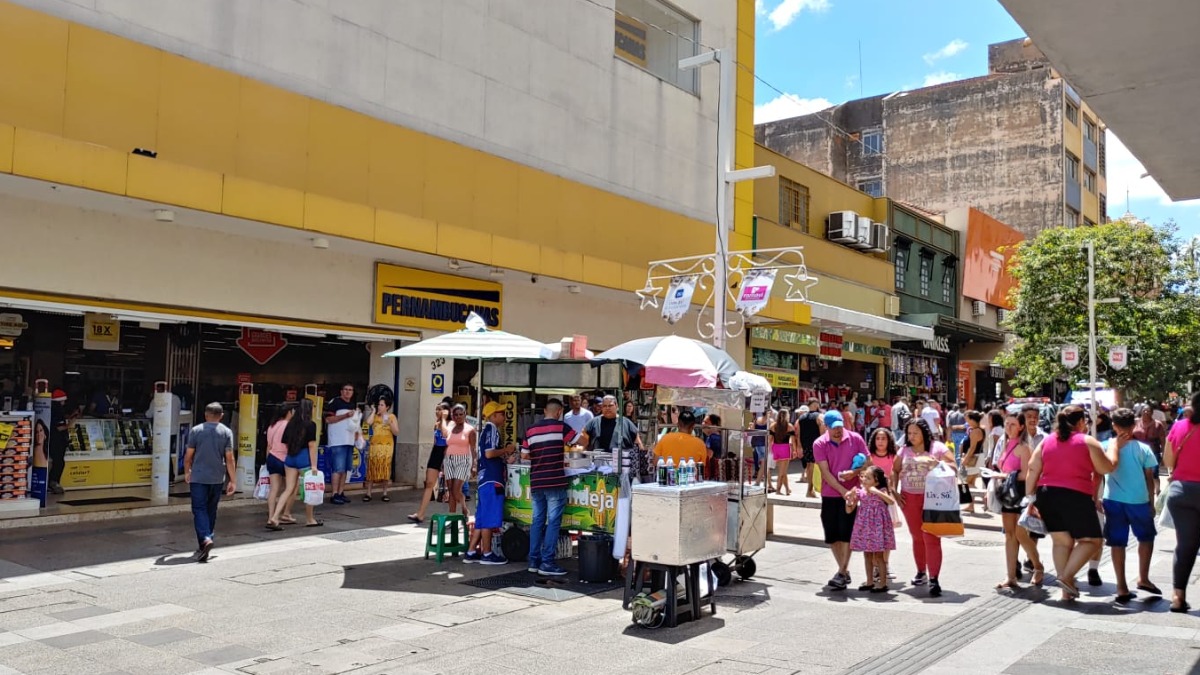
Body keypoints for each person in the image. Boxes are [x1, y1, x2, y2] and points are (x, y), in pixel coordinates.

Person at [1023, 405, 1114, 602]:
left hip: (1046, 494)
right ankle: (1065, 577)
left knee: (1062, 542)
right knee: (1092, 541)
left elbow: (1032, 467)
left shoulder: (1047, 441)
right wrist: (1114, 451)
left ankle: (1067, 590)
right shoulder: (1087, 441)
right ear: (1081, 422)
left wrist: (1030, 495)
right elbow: (1105, 467)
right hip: (1075, 494)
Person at [1102, 407, 1160, 603]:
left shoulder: (1106, 446)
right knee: (1146, 538)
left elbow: (1098, 473)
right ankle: (1143, 577)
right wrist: (1152, 503)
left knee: (1117, 543)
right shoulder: (1144, 449)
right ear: (1134, 425)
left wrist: (1096, 498)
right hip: (1139, 501)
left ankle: (1121, 586)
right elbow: (1150, 478)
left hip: (1113, 500)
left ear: (1114, 426)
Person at [892, 418, 955, 597]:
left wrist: (938, 464)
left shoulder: (938, 448)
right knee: (917, 536)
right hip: (909, 497)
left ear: (924, 433)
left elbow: (954, 467)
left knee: (932, 537)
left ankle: (934, 578)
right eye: (909, 433)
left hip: (933, 498)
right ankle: (921, 572)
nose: (912, 437)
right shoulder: (904, 450)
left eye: (915, 433)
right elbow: (894, 470)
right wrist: (894, 491)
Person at [814, 409, 868, 590]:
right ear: (826, 427)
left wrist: (854, 472)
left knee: (847, 533)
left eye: (840, 427)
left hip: (852, 492)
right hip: (830, 493)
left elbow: (868, 462)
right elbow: (825, 473)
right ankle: (843, 570)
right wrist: (842, 490)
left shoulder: (855, 439)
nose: (838, 431)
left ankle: (842, 571)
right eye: (834, 428)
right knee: (832, 535)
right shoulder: (820, 444)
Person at [523, 398, 577, 577]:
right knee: (553, 522)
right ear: (559, 412)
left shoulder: (530, 430)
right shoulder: (562, 427)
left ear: (544, 411)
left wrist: (539, 457)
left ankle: (533, 560)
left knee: (537, 521)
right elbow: (581, 439)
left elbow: (524, 456)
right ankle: (547, 562)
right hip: (554, 481)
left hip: (536, 481)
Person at [994, 411, 1044, 589]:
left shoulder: (1024, 447)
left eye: (1013, 424)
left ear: (1021, 426)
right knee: (1009, 535)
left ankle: (1037, 565)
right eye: (1007, 424)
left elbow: (1027, 473)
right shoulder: (1005, 443)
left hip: (1020, 493)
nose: (1008, 427)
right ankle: (1011, 576)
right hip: (1008, 493)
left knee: (1021, 534)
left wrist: (1003, 475)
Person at [183, 403, 236, 562]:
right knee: (211, 509)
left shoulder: (196, 430)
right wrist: (233, 479)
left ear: (206, 415)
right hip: (217, 478)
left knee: (199, 509)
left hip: (198, 477)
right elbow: (229, 458)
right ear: (221, 416)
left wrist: (187, 471)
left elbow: (188, 455)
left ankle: (205, 539)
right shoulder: (226, 432)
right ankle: (206, 540)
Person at [1164, 391, 1200, 613]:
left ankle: (1177, 597)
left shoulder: (1179, 427)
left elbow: (1168, 461)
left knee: (1185, 545)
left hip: (1181, 492)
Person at [465, 402, 514, 565]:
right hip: (492, 479)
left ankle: (471, 551)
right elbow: (490, 453)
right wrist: (506, 450)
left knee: (481, 517)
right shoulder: (491, 429)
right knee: (488, 518)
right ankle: (487, 553)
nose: (504, 416)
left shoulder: (486, 430)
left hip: (484, 479)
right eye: (501, 413)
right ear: (493, 415)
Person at [269, 399, 321, 529]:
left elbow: (285, 442)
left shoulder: (290, 424)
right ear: (310, 409)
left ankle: (275, 517)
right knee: (309, 489)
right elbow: (312, 445)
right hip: (304, 458)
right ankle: (310, 519)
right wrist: (314, 465)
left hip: (290, 458)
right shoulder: (311, 424)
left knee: (288, 489)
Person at [847, 465, 897, 593]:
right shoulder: (860, 491)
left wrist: (876, 491)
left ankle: (882, 583)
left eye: (868, 478)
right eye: (864, 477)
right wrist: (849, 501)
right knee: (867, 554)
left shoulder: (882, 490)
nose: (864, 480)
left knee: (879, 555)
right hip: (865, 526)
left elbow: (891, 501)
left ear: (877, 481)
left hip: (878, 527)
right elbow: (849, 510)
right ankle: (869, 581)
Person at [409, 403, 450, 525]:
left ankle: (460, 511)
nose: (437, 412)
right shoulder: (436, 425)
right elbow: (436, 440)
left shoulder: (449, 424)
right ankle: (420, 513)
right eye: (436, 409)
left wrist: (443, 419)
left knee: (452, 488)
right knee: (429, 483)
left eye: (440, 410)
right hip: (436, 452)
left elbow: (445, 434)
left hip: (447, 452)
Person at [323, 383, 359, 505]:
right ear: (341, 391)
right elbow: (328, 419)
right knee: (337, 468)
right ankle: (334, 494)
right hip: (337, 441)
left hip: (349, 440)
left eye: (350, 390)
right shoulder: (335, 403)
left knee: (345, 469)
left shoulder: (352, 405)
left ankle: (341, 492)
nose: (348, 392)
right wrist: (345, 416)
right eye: (346, 389)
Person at [440, 405, 476, 520]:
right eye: (456, 415)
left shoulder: (470, 429)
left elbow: (473, 449)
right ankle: (452, 517)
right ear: (453, 416)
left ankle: (464, 508)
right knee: (450, 490)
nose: (458, 417)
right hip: (449, 460)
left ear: (465, 415)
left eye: (461, 414)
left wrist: (474, 465)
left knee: (456, 490)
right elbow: (447, 442)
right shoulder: (450, 426)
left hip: (463, 460)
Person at [574, 396, 643, 453]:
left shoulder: (626, 423)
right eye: (604, 406)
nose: (607, 408)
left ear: (616, 406)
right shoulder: (593, 422)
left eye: (610, 405)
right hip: (598, 463)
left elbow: (638, 443)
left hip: (621, 464)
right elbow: (583, 442)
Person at [363, 397, 400, 502]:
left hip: (387, 446)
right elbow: (368, 423)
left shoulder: (392, 417)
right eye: (379, 404)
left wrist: (390, 423)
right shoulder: (375, 416)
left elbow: (396, 432)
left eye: (382, 405)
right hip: (375, 446)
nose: (379, 406)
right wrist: (373, 411)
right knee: (372, 467)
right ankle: (368, 493)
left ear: (387, 407)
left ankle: (384, 493)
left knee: (385, 467)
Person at [264, 404, 295, 526]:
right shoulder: (289, 425)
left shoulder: (272, 425)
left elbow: (269, 445)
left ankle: (271, 516)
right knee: (291, 487)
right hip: (284, 458)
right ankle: (284, 514)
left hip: (272, 457)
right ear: (288, 412)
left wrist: (267, 460)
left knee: (274, 489)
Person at [47, 389, 73, 495]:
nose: (64, 403)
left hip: (53, 440)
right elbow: (58, 428)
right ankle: (53, 483)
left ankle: (52, 483)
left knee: (58, 462)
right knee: (59, 462)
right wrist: (70, 424)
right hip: (56, 441)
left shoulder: (51, 410)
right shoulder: (57, 411)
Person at [796, 403, 823, 498]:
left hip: (806, 445)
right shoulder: (819, 416)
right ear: (816, 405)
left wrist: (799, 446)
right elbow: (822, 432)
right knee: (821, 467)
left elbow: (798, 433)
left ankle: (810, 490)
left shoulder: (801, 418)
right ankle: (816, 489)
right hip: (817, 445)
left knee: (809, 466)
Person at [769, 410, 794, 496]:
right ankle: (778, 490)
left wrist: (769, 450)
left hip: (775, 447)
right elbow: (793, 440)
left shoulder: (773, 425)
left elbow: (770, 439)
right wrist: (794, 450)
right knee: (782, 472)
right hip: (785, 448)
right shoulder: (789, 426)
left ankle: (787, 489)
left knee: (783, 471)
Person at [749, 412, 768, 486]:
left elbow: (752, 430)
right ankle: (759, 482)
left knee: (763, 463)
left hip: (756, 443)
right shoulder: (769, 421)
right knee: (764, 464)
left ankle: (760, 481)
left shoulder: (756, 420)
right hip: (763, 443)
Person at [702, 414, 722, 480]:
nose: (703, 424)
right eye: (703, 421)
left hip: (713, 472)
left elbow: (709, 454)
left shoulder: (713, 437)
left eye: (706, 422)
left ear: (714, 425)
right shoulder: (715, 437)